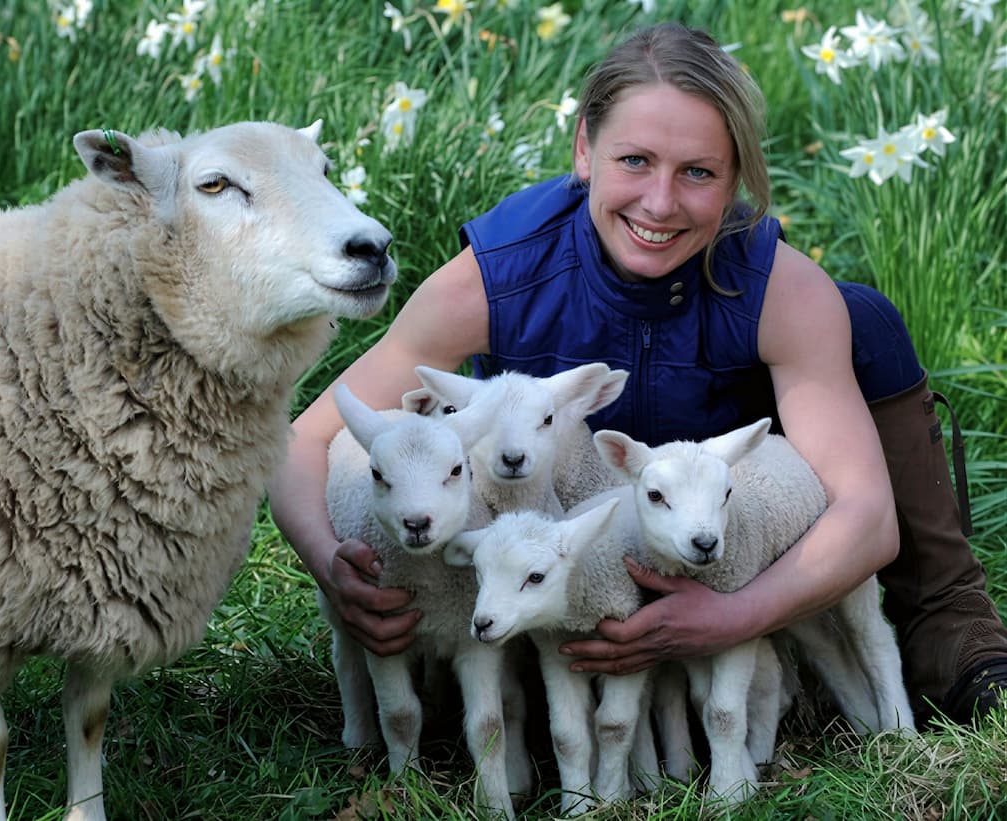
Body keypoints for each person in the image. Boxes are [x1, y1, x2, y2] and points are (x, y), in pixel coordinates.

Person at [268, 22, 1006, 726]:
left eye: (698, 173)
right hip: (564, 557)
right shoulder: (495, 276)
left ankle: (946, 615)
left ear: (735, 180)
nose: (659, 202)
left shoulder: (782, 289)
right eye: (634, 161)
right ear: (584, 149)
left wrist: (733, 616)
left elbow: (866, 515)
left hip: (724, 530)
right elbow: (304, 444)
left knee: (862, 319)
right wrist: (332, 564)